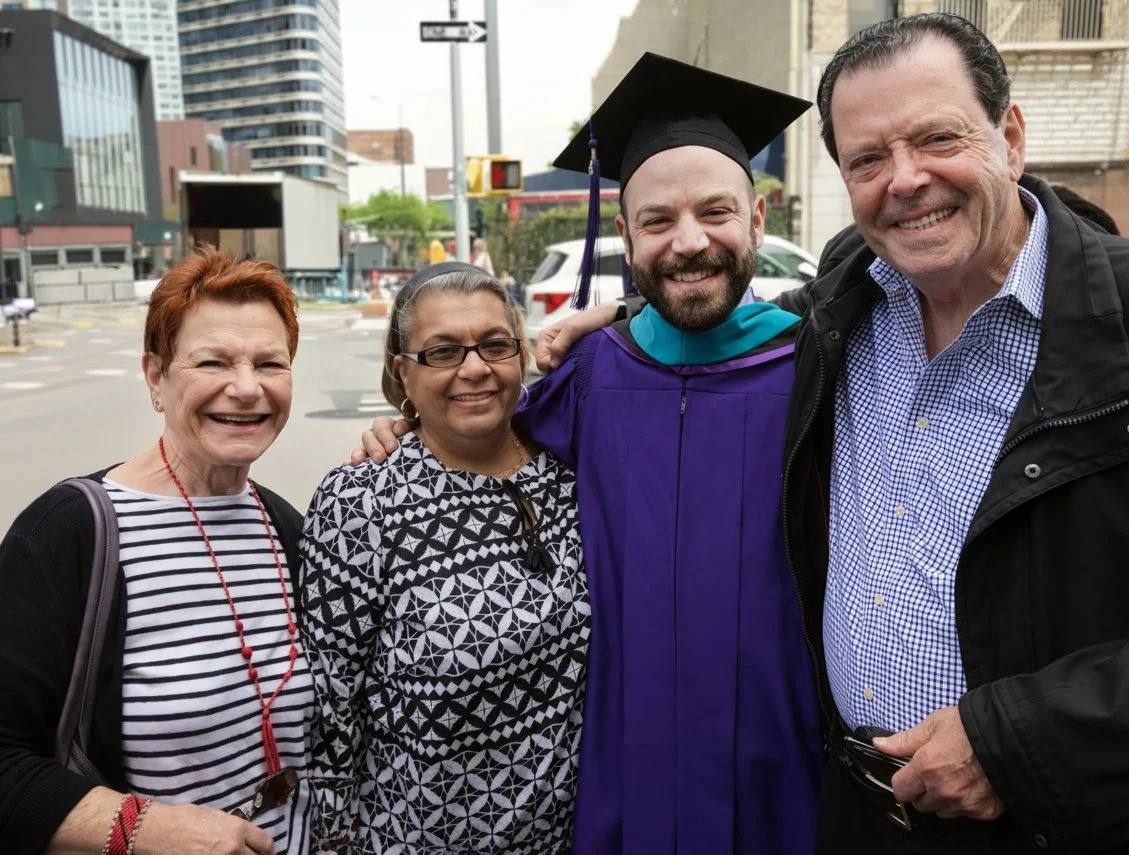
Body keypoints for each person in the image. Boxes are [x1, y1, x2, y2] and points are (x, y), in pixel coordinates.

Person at [357, 54, 824, 855]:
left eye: (715, 212)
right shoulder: (593, 376)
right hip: (619, 754)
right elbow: (486, 428)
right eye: (656, 220)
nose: (688, 240)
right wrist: (410, 426)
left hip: (776, 752)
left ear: (755, 219)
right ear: (624, 235)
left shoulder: (819, 366)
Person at [778, 13, 1129, 852]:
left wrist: (1017, 739)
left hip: (1054, 821)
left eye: (937, 137)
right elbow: (730, 327)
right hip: (859, 811)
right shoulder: (844, 305)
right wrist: (614, 317)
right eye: (866, 159)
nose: (904, 180)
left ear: (1008, 137)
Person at [0, 247, 312, 854]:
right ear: (155, 376)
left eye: (270, 363)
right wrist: (139, 827)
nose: (246, 388)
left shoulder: (288, 530)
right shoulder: (69, 535)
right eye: (213, 362)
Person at [300, 262, 588, 854]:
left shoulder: (575, 466)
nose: (474, 368)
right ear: (402, 372)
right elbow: (329, 720)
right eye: (442, 352)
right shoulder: (362, 504)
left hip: (575, 838)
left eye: (493, 344)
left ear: (521, 353)